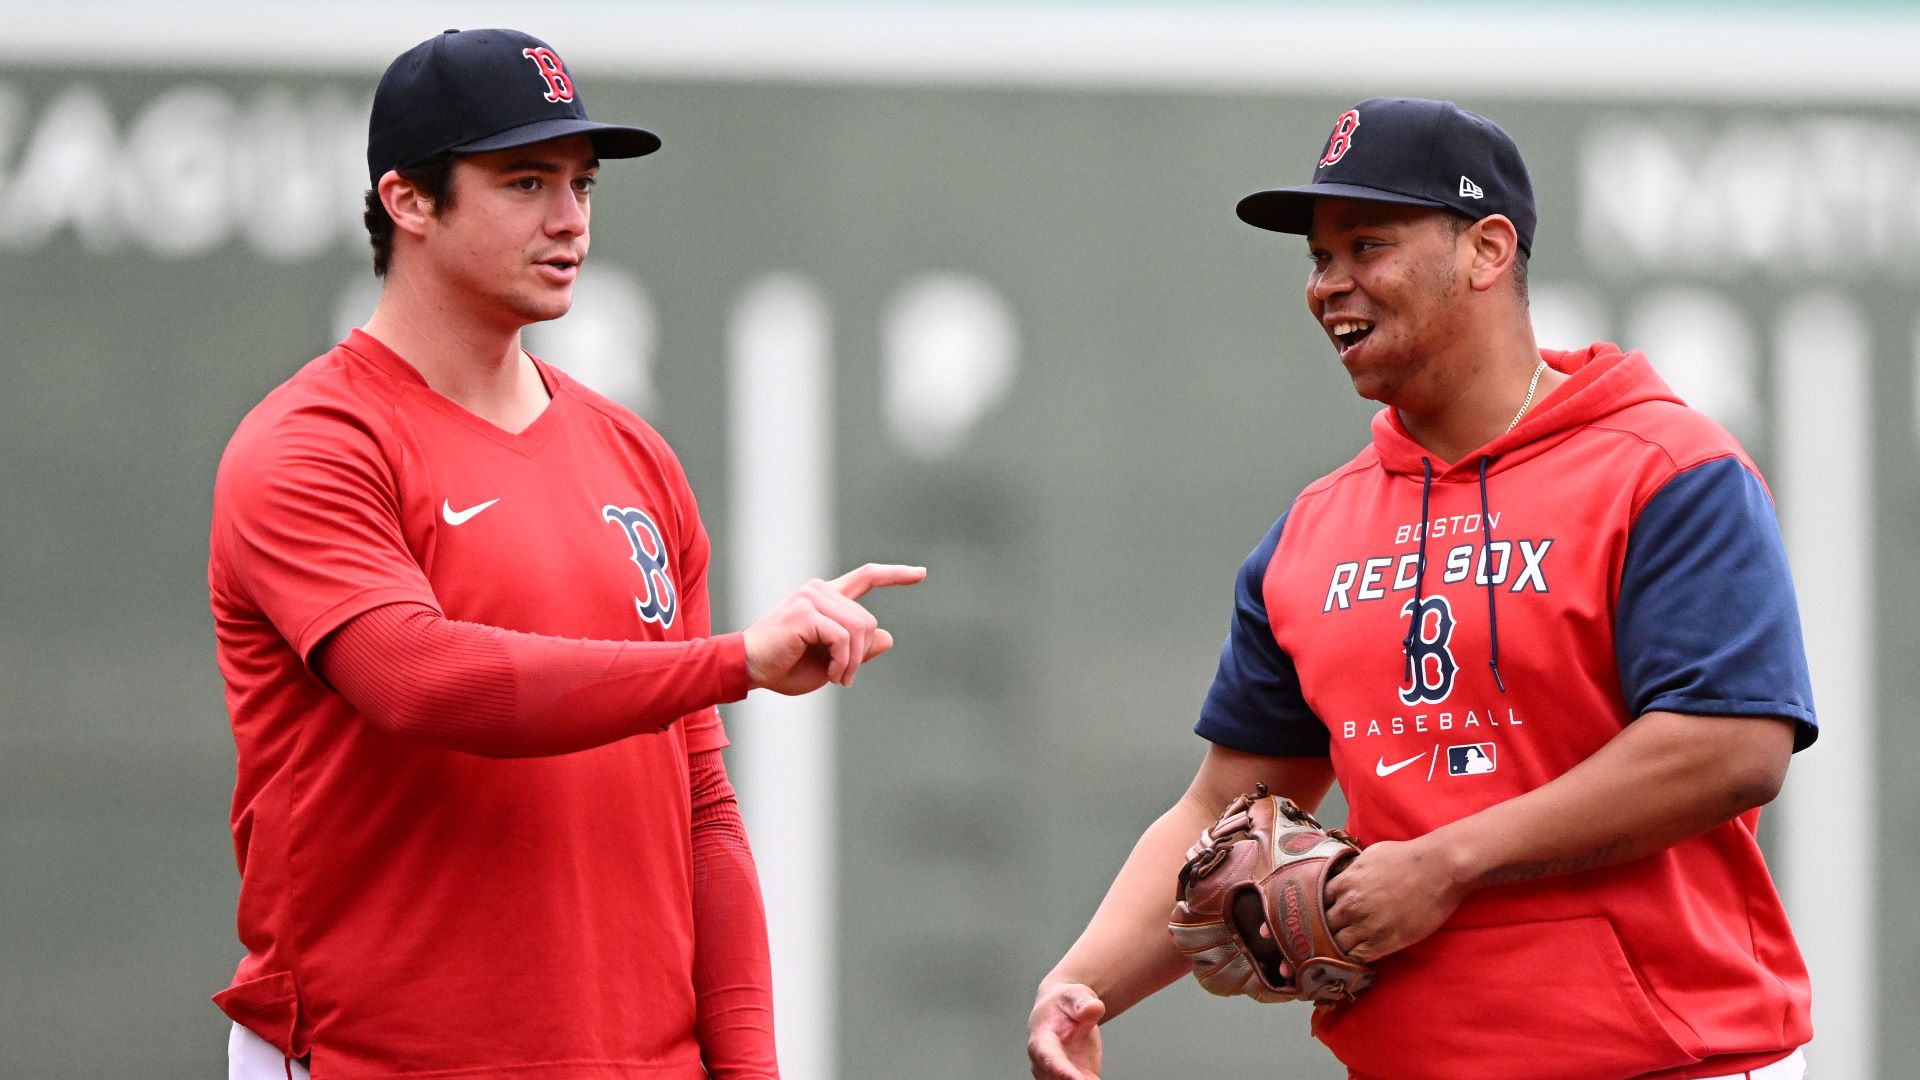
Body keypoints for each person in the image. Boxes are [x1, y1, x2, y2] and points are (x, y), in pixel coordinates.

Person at [1027, 97, 1816, 1080]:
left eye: (1367, 244)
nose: (1330, 285)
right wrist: (1084, 984)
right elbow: (1221, 805)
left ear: (1487, 250)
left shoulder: (1665, 472)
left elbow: (1730, 748)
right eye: (1319, 257)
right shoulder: (1312, 534)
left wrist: (1447, 861)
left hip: (1659, 1063)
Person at [208, 28, 923, 1079]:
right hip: (378, 1057)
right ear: (408, 201)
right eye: (525, 181)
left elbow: (702, 818)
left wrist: (749, 1068)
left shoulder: (635, 458)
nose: (570, 220)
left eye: (583, 185)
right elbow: (422, 681)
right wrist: (734, 662)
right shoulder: (315, 443)